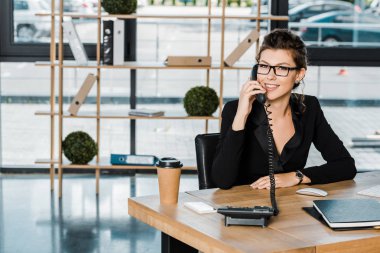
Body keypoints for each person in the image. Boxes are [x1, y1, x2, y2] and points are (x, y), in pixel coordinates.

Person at [211, 29, 356, 190]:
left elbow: (346, 165)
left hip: (290, 206)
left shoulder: (309, 107)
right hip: (245, 208)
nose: (270, 76)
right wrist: (242, 115)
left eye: (281, 68)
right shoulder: (234, 110)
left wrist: (296, 176)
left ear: (299, 74)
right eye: (264, 66)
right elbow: (222, 180)